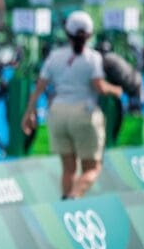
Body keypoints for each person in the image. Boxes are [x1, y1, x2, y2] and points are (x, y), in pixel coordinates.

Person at [21, 11, 123, 199]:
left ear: (67, 34)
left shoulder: (54, 56)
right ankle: (72, 198)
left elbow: (39, 88)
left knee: (68, 170)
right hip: (84, 114)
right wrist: (115, 90)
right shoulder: (93, 58)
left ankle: (66, 204)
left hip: (58, 114)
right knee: (92, 169)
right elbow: (99, 86)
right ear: (90, 35)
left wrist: (29, 112)